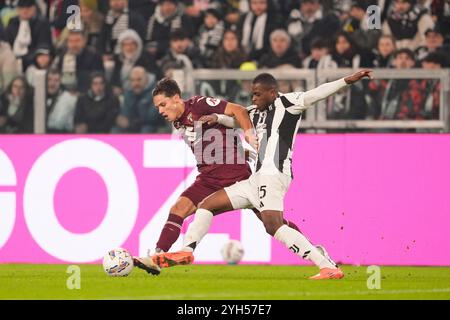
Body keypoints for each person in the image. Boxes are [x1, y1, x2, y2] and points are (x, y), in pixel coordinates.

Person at [140, 69, 373, 279]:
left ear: (272, 92)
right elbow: (234, 119)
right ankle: (186, 251)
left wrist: (346, 80)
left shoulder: (289, 103)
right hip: (256, 178)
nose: (253, 98)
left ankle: (324, 263)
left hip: (274, 173)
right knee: (206, 206)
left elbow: (317, 93)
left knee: (272, 225)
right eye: (252, 94)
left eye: (258, 94)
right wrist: (216, 118)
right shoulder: (255, 111)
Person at [132, 77, 301, 275]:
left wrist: (248, 134)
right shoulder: (178, 122)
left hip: (235, 176)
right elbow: (213, 141)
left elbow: (238, 110)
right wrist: (235, 149)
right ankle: (156, 257)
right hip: (208, 178)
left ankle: (313, 250)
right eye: (158, 107)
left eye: (163, 104)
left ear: (176, 98)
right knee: (178, 209)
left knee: (272, 224)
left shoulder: (199, 104)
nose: (160, 111)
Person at [113, 66, 168, 133]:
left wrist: (130, 122)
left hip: (153, 126)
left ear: (146, 79)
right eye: (133, 80)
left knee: (146, 129)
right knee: (115, 130)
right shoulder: (128, 92)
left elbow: (151, 118)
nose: (136, 83)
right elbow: (125, 115)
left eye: (139, 80)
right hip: (133, 125)